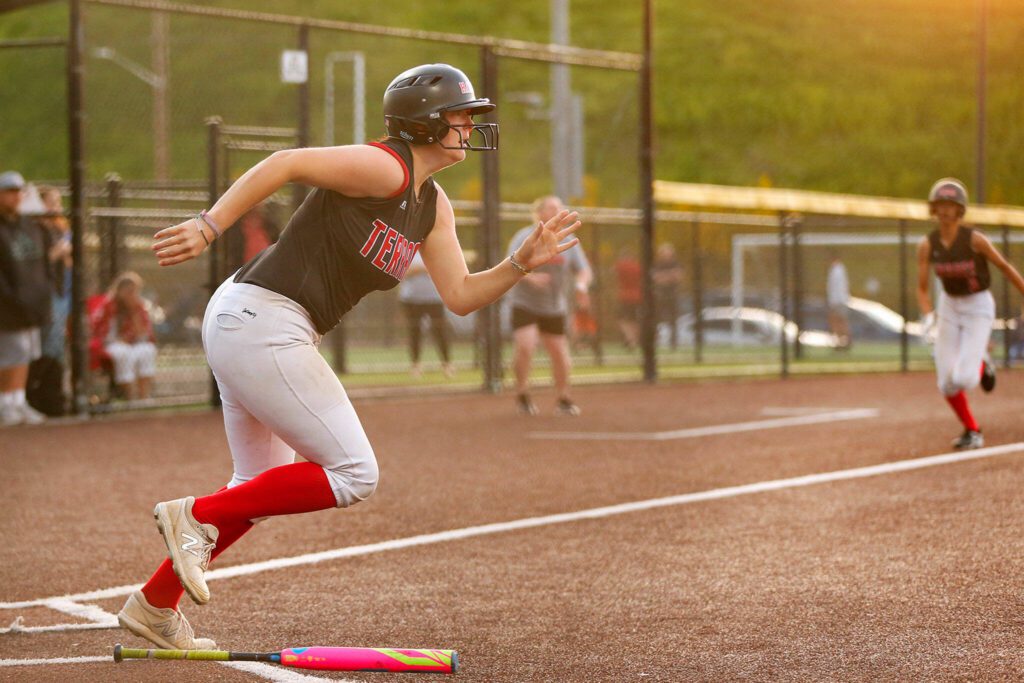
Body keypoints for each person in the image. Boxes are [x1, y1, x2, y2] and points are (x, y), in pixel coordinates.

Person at [116, 63, 581, 650]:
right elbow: (286, 163)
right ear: (426, 122)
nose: (470, 125)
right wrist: (211, 225)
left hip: (256, 319)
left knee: (256, 488)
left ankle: (154, 605)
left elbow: (461, 296)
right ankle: (197, 515)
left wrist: (518, 264)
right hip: (264, 318)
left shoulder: (432, 204)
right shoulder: (388, 167)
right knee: (355, 473)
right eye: (461, 115)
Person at [915, 178, 1024, 450]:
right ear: (934, 208)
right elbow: (922, 288)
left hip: (978, 305)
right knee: (945, 383)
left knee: (965, 378)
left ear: (960, 209)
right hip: (949, 305)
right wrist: (928, 316)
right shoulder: (927, 244)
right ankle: (972, 430)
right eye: (940, 204)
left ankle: (983, 362)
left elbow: (1004, 266)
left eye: (950, 205)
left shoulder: (975, 240)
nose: (945, 210)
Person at [506, 195, 592, 416]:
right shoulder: (525, 236)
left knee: (560, 353)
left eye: (560, 207)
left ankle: (564, 398)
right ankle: (523, 393)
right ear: (540, 213)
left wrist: (581, 286)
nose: (558, 211)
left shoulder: (567, 239)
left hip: (553, 306)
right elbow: (509, 265)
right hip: (524, 302)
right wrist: (530, 277)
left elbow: (583, 270)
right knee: (526, 346)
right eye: (552, 207)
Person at [0, 171, 51, 427]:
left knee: (26, 354)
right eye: (9, 192)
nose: (15, 196)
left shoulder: (29, 226)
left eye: (18, 191)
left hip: (32, 303)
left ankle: (18, 401)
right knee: (11, 355)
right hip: (8, 306)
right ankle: (5, 404)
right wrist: (12, 299)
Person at [91, 271, 158, 400]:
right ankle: (130, 397)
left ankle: (144, 397)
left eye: (135, 291)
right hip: (111, 344)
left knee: (147, 350)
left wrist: (134, 313)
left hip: (134, 343)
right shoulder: (109, 305)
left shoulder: (139, 306)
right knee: (123, 353)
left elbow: (143, 335)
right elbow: (102, 333)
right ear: (119, 290)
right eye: (128, 291)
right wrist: (119, 340)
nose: (132, 294)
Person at [398, 250, 453, 378]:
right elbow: (401, 272)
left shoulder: (436, 249)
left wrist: (421, 268)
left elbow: (445, 270)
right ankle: (415, 366)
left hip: (435, 298)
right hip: (412, 299)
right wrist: (425, 267)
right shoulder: (407, 249)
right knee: (414, 333)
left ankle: (447, 365)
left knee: (440, 331)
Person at [652, 242, 683, 349]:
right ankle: (655, 339)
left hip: (673, 295)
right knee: (657, 318)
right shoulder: (657, 264)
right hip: (660, 295)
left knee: (673, 318)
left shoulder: (676, 263)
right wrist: (669, 276)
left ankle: (673, 341)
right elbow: (656, 278)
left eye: (668, 252)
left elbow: (678, 276)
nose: (666, 255)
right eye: (664, 253)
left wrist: (664, 277)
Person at [614, 246, 642, 350]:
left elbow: (614, 273)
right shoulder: (637, 266)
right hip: (638, 296)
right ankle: (635, 339)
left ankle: (631, 339)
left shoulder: (621, 265)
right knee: (634, 319)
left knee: (622, 319)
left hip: (624, 296)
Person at [826, 251, 852, 350]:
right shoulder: (836, 270)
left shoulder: (838, 270)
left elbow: (837, 288)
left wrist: (834, 301)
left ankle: (844, 341)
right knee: (837, 321)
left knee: (839, 320)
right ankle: (840, 341)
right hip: (838, 300)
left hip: (838, 301)